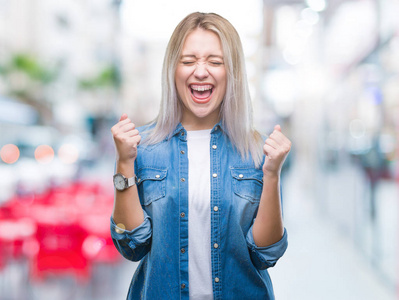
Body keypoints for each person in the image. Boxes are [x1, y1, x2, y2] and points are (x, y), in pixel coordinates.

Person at [110, 12, 290, 300]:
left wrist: (271, 174)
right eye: (189, 60)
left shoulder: (258, 150)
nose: (201, 71)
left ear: (232, 73)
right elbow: (132, 245)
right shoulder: (142, 147)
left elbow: (266, 253)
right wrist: (124, 163)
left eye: (215, 62)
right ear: (173, 69)